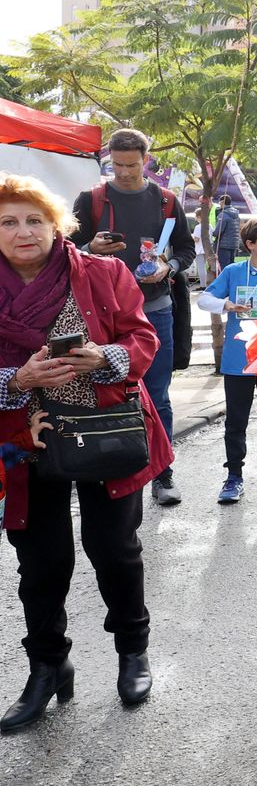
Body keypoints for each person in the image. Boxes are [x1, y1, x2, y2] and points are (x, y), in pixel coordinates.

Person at [0, 173, 173, 732]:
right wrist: (16, 378)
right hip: (26, 442)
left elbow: (142, 337)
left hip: (108, 433)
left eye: (34, 219)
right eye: (7, 221)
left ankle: (132, 651)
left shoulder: (102, 272)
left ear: (56, 224)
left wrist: (106, 358)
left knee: (114, 548)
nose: (23, 231)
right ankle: (49, 667)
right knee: (40, 564)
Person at [70, 128, 195, 507]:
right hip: (101, 315)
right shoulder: (91, 199)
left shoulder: (166, 201)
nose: (124, 172)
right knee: (105, 394)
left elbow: (186, 250)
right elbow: (64, 250)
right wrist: (91, 247)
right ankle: (110, 464)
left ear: (146, 160)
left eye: (132, 164)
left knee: (157, 394)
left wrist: (168, 267)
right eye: (117, 165)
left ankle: (162, 473)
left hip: (155, 309)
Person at [196, 216, 257, 503]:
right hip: (239, 358)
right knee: (235, 420)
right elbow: (203, 300)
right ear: (251, 244)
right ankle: (234, 476)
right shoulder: (234, 272)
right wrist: (226, 304)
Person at [213, 193, 241, 265]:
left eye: (220, 202)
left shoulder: (223, 214)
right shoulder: (236, 214)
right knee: (231, 266)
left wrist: (212, 233)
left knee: (224, 266)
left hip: (224, 245)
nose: (219, 204)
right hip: (234, 245)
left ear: (222, 202)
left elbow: (218, 232)